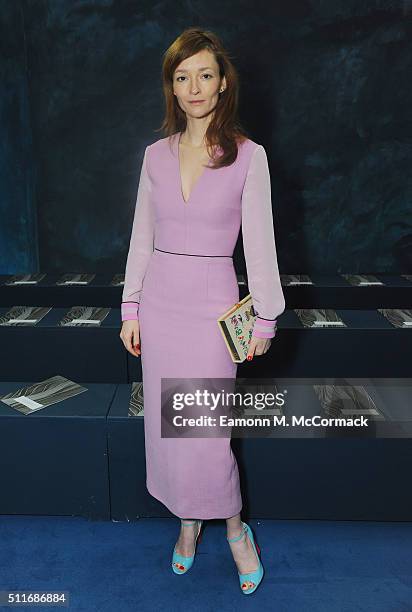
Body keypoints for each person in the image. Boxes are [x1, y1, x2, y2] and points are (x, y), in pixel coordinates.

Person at [119, 27, 285, 595]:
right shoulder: (153, 156)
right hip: (160, 303)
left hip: (215, 306)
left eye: (205, 75)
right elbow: (142, 235)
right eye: (182, 76)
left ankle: (235, 529)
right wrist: (130, 307)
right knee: (168, 431)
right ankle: (188, 524)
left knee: (206, 431)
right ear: (172, 85)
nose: (193, 86)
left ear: (222, 85)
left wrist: (265, 316)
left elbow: (260, 243)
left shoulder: (249, 156)